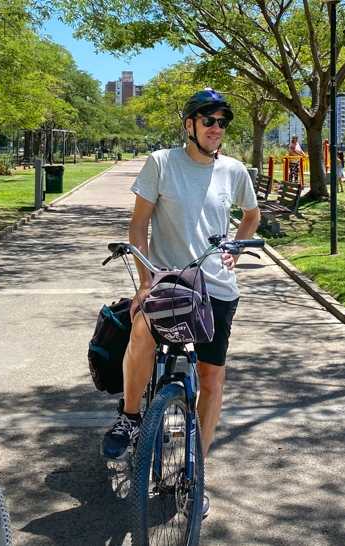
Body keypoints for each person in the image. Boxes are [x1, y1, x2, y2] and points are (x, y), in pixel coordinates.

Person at [100, 89, 261, 519]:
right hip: (170, 282)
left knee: (211, 379)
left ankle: (195, 471)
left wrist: (238, 248)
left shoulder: (234, 170)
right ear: (189, 124)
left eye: (223, 121)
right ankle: (132, 417)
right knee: (139, 328)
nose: (216, 127)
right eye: (208, 119)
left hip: (218, 290)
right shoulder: (161, 163)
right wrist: (146, 280)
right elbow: (138, 226)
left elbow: (252, 214)